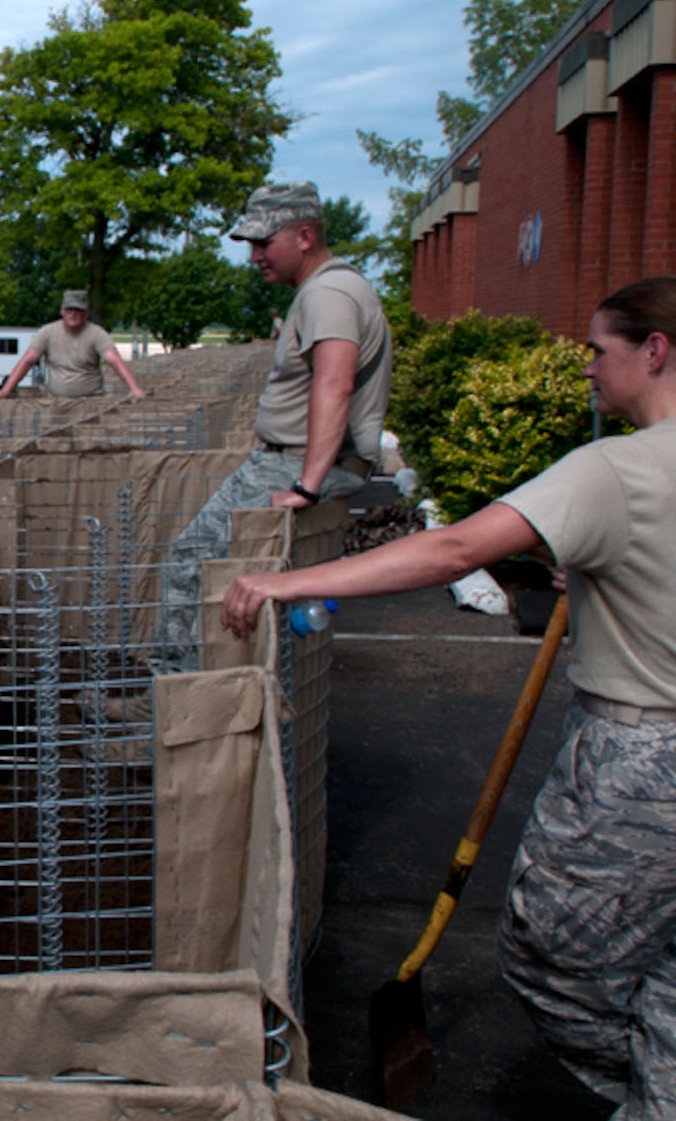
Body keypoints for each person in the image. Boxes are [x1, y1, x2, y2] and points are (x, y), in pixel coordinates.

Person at [222, 276, 676, 1118]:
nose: (587, 369)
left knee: (554, 954)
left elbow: (457, 548)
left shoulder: (619, 472)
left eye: (599, 351)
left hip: (643, 757)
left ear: (655, 352)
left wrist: (289, 580)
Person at [152, 180, 391, 673]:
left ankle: (179, 701)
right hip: (292, 461)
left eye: (264, 243)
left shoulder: (328, 293)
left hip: (292, 463)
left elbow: (334, 385)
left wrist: (306, 483)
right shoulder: (328, 289)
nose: (254, 256)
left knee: (190, 562)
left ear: (305, 236)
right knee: (224, 571)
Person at [0, 290, 147, 400]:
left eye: (78, 310)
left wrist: (134, 388)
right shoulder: (47, 332)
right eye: (69, 309)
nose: (73, 314)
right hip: (57, 402)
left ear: (86, 313)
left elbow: (114, 360)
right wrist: (5, 391)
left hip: (92, 400)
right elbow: (27, 361)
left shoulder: (97, 334)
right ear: (62, 311)